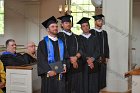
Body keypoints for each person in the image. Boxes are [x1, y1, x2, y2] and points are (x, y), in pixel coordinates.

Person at [37, 16, 68, 93]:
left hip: (60, 74)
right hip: (49, 76)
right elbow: (41, 59)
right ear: (48, 29)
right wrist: (48, 70)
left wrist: (64, 65)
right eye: (53, 26)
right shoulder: (43, 43)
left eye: (56, 26)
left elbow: (65, 56)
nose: (55, 28)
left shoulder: (61, 42)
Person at [57, 15, 83, 93]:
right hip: (64, 65)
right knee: (63, 87)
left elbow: (81, 49)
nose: (68, 24)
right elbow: (59, 50)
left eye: (69, 22)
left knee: (75, 87)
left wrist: (76, 57)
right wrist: (72, 59)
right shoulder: (58, 36)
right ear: (62, 24)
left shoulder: (76, 36)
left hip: (76, 66)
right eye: (65, 23)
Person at [78, 17, 100, 93]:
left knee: (94, 82)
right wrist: (88, 60)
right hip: (84, 64)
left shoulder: (95, 38)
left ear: (89, 26)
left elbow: (97, 50)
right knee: (84, 83)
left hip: (94, 63)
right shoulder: (79, 38)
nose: (85, 27)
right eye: (83, 26)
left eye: (87, 25)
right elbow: (80, 50)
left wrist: (92, 59)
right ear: (81, 28)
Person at [90, 14, 110, 90]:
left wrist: (107, 56)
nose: (101, 22)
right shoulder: (91, 31)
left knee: (102, 76)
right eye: (99, 21)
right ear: (95, 22)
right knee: (95, 77)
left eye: (101, 21)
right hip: (94, 58)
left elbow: (106, 45)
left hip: (103, 58)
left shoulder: (104, 32)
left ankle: (100, 90)